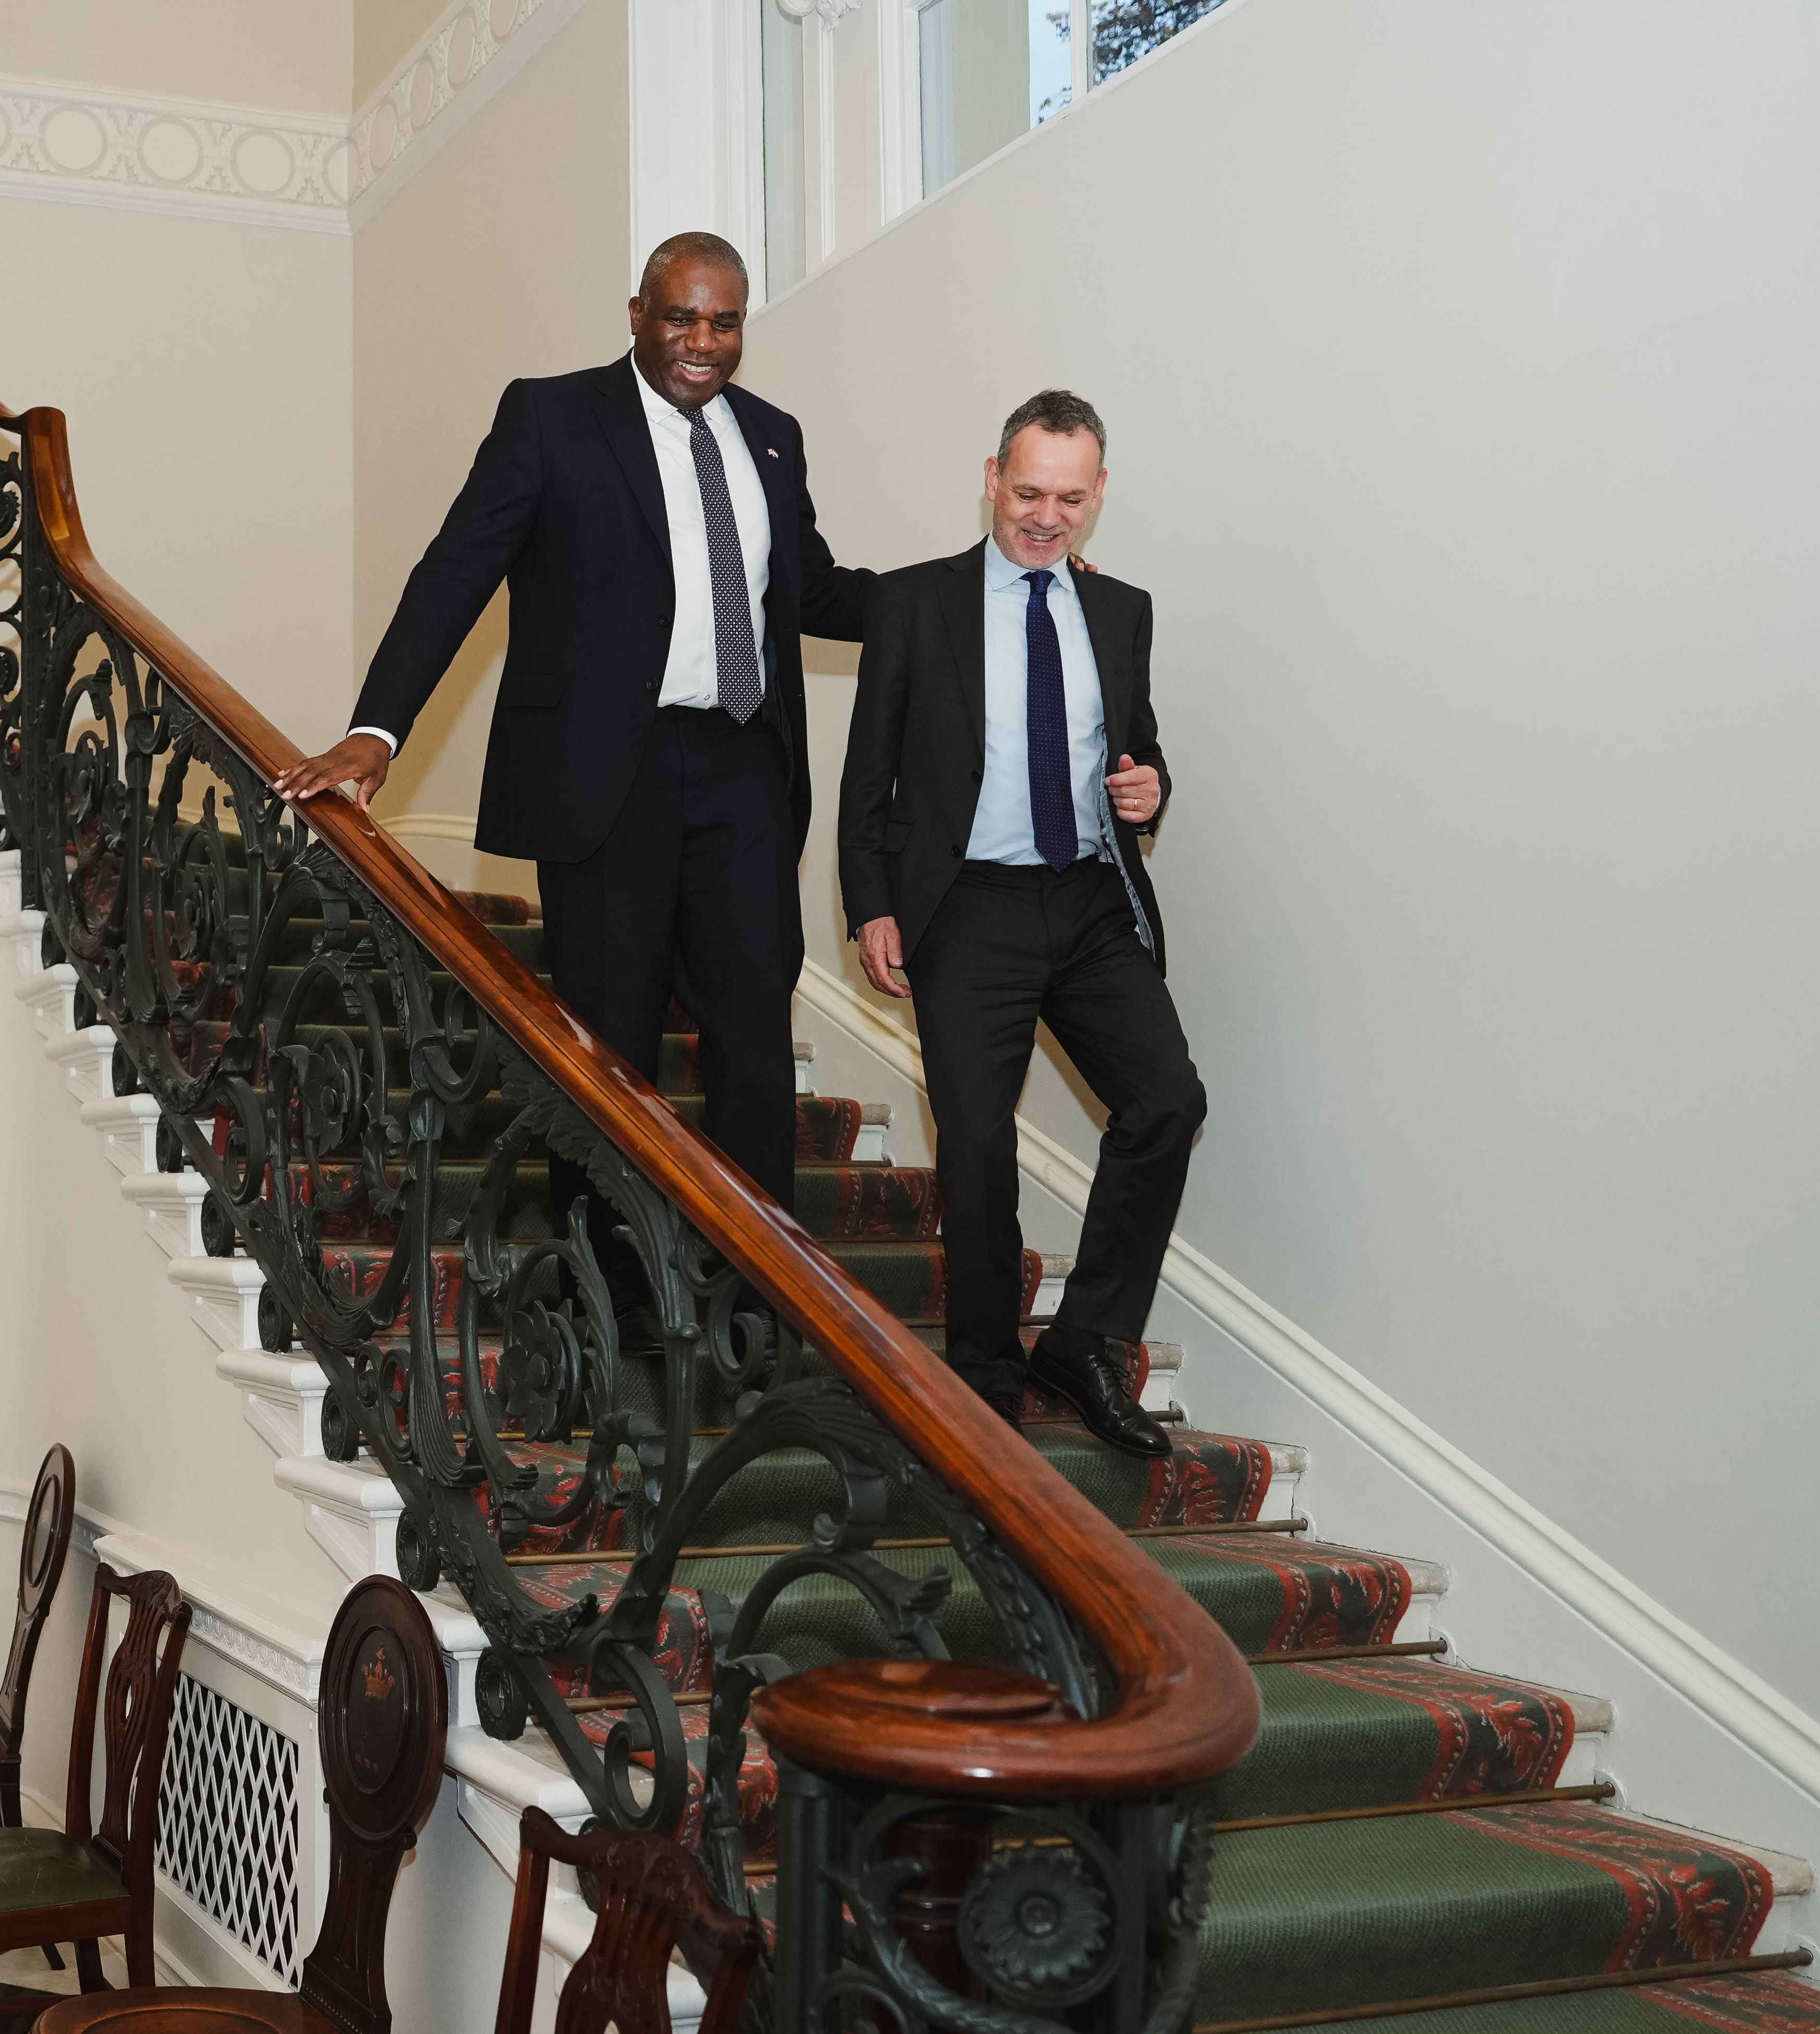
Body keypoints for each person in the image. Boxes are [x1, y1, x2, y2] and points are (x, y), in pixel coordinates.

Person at [272, 232, 875, 1212]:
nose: (702, 339)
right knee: (607, 1046)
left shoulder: (771, 434)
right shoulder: (550, 416)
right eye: (680, 315)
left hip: (743, 767)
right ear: (637, 315)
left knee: (755, 1038)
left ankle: (763, 1304)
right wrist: (377, 730)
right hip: (608, 773)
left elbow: (810, 590)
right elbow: (456, 572)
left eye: (724, 321)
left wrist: (969, 597)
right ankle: (607, 1301)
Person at [836, 390, 1199, 1457]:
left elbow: (1136, 749)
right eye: (1028, 490)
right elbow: (868, 775)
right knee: (979, 1146)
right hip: (968, 906)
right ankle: (986, 1374)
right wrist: (870, 905)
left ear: (1096, 495)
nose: (1046, 515)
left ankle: (1084, 1342)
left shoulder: (1119, 609)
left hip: (1089, 901)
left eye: (1069, 498)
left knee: (1166, 1101)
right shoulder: (914, 604)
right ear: (990, 476)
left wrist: (1147, 790)